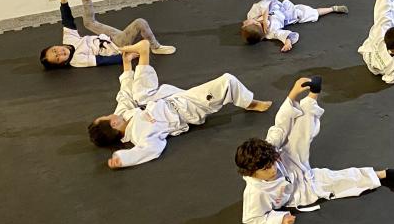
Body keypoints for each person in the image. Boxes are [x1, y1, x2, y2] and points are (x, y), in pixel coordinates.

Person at [234, 75, 394, 224]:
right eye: (266, 169)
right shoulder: (255, 193)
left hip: (291, 164)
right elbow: (252, 218)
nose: (272, 170)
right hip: (301, 189)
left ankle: (312, 97)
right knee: (335, 180)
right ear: (251, 173)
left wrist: (292, 94)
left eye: (271, 164)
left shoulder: (269, 154)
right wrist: (279, 220)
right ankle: (380, 175)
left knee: (298, 133)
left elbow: (279, 127)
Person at [88, 39, 271, 169]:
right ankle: (249, 103)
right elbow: (149, 150)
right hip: (185, 109)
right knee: (228, 81)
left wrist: (126, 64)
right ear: (113, 124)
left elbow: (124, 93)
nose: (110, 114)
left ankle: (143, 52)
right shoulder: (140, 134)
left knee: (138, 94)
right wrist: (123, 158)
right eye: (106, 117)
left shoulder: (123, 113)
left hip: (166, 96)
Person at [39, 0, 175, 69]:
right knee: (140, 23)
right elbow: (102, 61)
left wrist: (63, 0)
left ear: (55, 46)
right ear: (62, 64)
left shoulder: (68, 40)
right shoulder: (77, 60)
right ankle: (156, 47)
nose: (60, 53)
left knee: (88, 22)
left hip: (107, 37)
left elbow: (67, 21)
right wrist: (126, 57)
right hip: (116, 45)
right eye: (58, 58)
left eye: (55, 50)